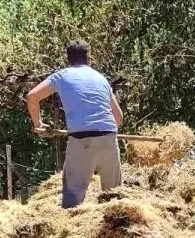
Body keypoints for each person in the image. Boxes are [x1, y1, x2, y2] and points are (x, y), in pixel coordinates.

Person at [26, 40, 124, 208]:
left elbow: (32, 96)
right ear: (89, 59)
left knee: (73, 201)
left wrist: (39, 124)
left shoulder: (62, 75)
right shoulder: (101, 78)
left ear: (68, 59)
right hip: (109, 136)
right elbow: (119, 118)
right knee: (114, 200)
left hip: (81, 139)